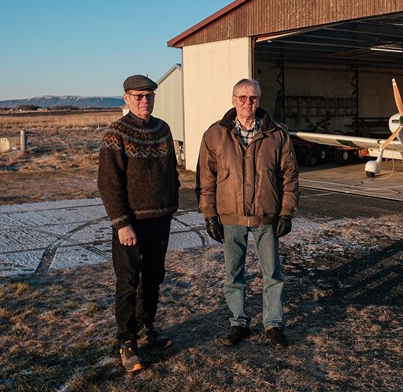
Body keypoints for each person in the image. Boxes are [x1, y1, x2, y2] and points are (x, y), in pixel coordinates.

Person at [196, 78, 299, 349]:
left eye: (252, 98)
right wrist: (209, 214)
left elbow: (289, 176)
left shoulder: (276, 134)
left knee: (272, 273)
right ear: (233, 100)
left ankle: (273, 325)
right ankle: (238, 323)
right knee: (234, 274)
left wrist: (287, 211)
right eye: (242, 97)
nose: (247, 102)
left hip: (266, 215)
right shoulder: (215, 134)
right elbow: (206, 178)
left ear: (258, 100)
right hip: (231, 216)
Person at [98, 74, 180, 373]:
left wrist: (172, 201)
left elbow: (171, 170)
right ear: (127, 99)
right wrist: (121, 223)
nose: (145, 101)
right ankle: (127, 340)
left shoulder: (163, 129)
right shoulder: (116, 133)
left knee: (154, 278)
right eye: (138, 96)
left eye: (149, 96)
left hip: (161, 219)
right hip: (131, 223)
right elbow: (108, 183)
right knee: (128, 282)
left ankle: (147, 327)